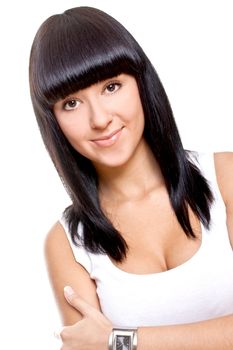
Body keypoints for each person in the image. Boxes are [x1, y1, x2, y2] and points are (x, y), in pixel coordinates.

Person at [29, 6, 233, 350]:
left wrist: (121, 340)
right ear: (53, 121)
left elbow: (103, 344)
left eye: (111, 86)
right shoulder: (67, 243)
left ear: (141, 82)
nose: (100, 119)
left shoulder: (224, 177)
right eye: (72, 103)